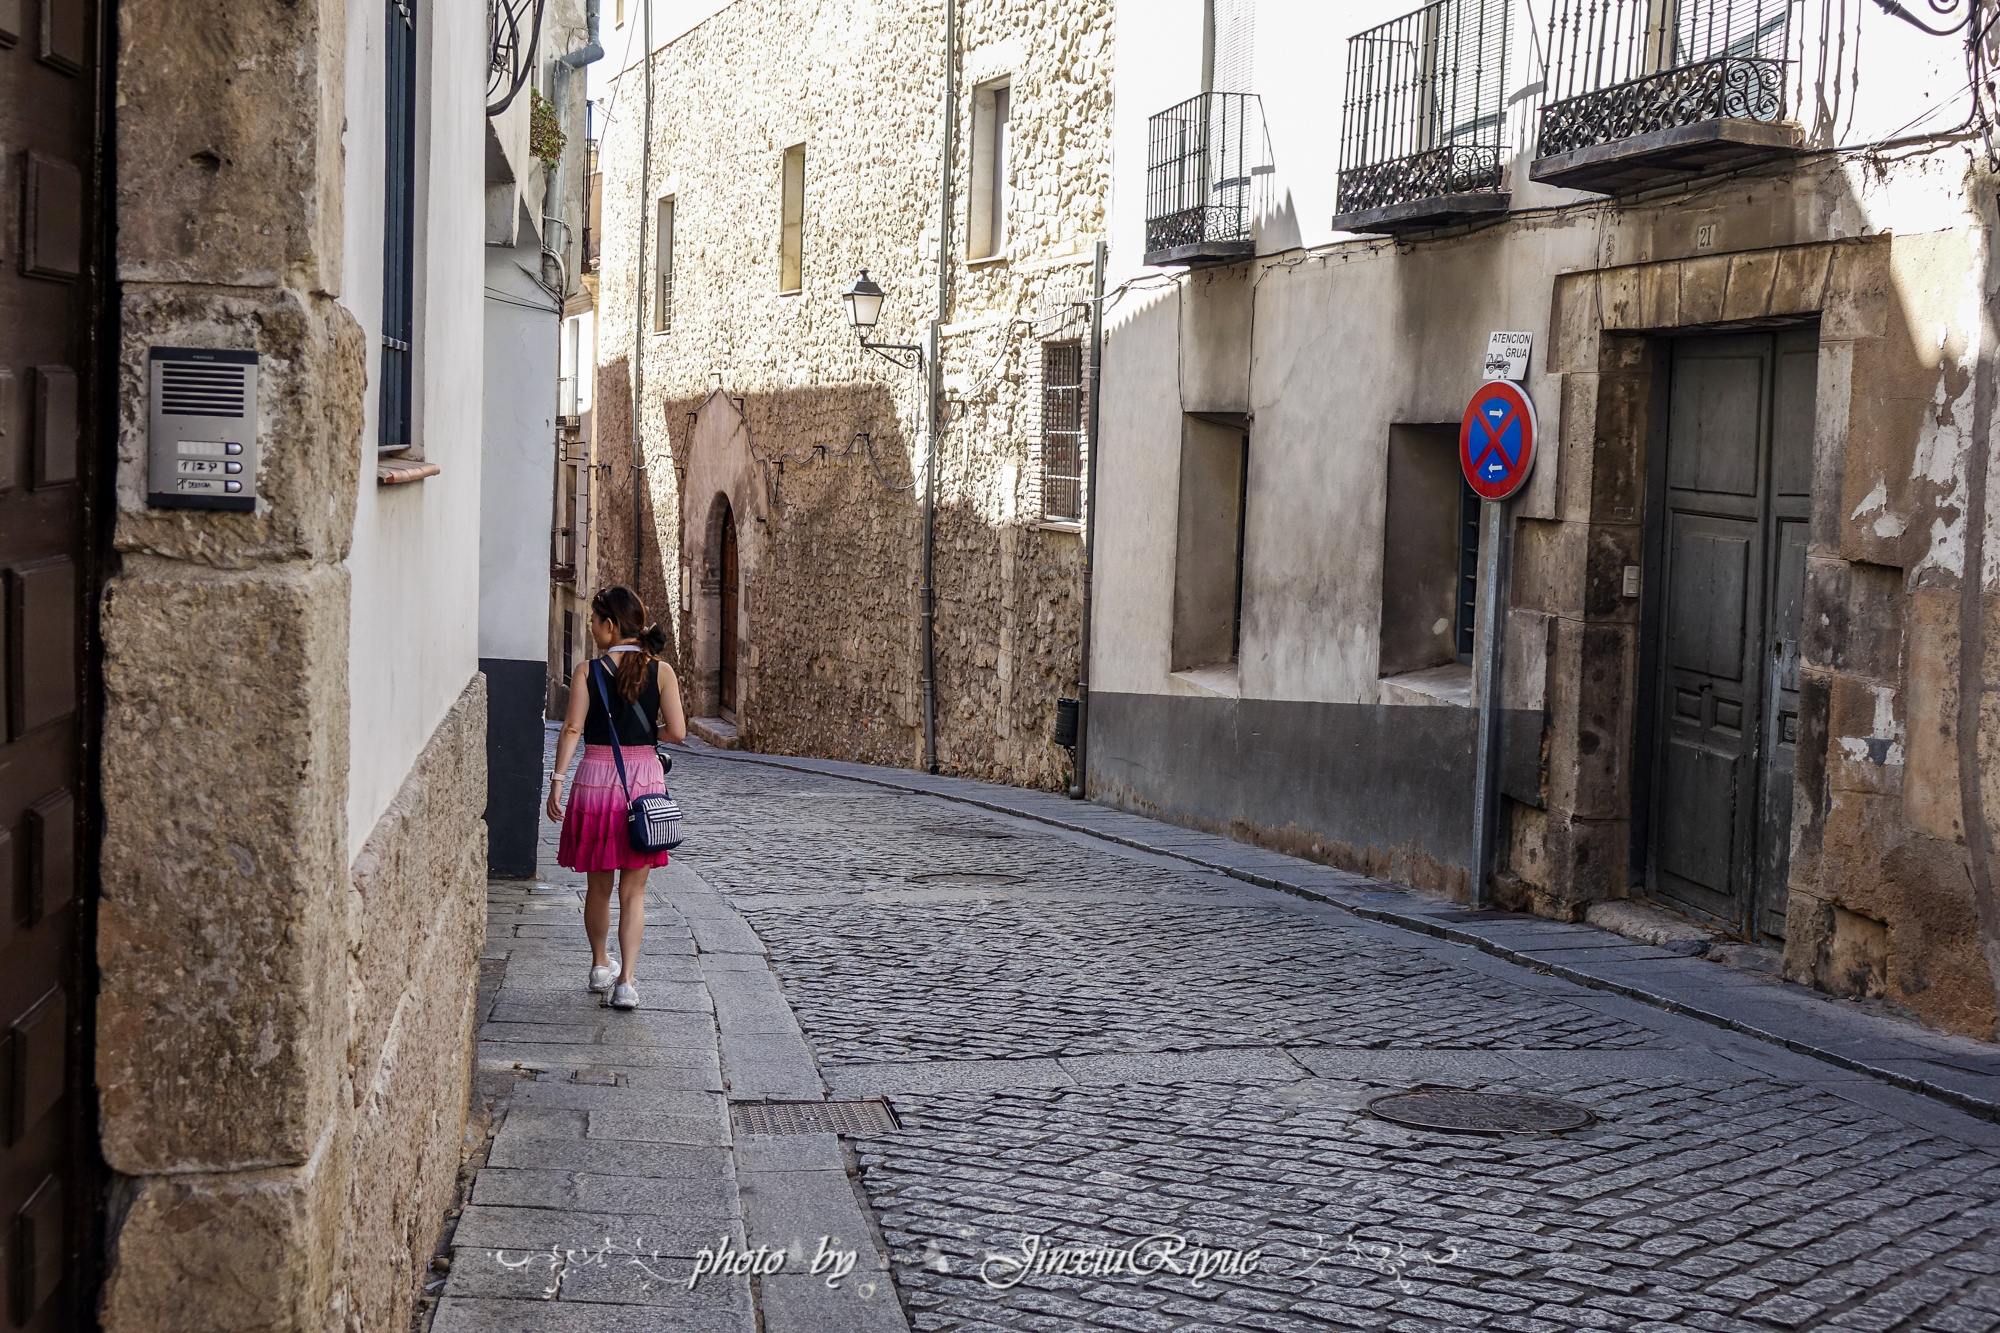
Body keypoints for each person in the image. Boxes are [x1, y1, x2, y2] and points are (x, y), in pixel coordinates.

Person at [547, 586, 688, 1010]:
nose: (591, 628)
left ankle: (598, 964)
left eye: (594, 621)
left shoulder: (587, 671)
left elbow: (572, 729)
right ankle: (626, 982)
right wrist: (646, 741)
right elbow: (678, 733)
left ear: (610, 625)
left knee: (598, 886)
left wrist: (557, 780)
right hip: (642, 780)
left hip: (595, 778)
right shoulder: (661, 671)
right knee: (634, 892)